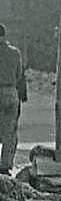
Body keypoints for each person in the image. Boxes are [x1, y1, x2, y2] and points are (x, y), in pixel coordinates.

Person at [0, 24, 26, 175]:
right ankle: (5, 165)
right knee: (10, 131)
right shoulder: (15, 53)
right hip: (10, 92)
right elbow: (19, 75)